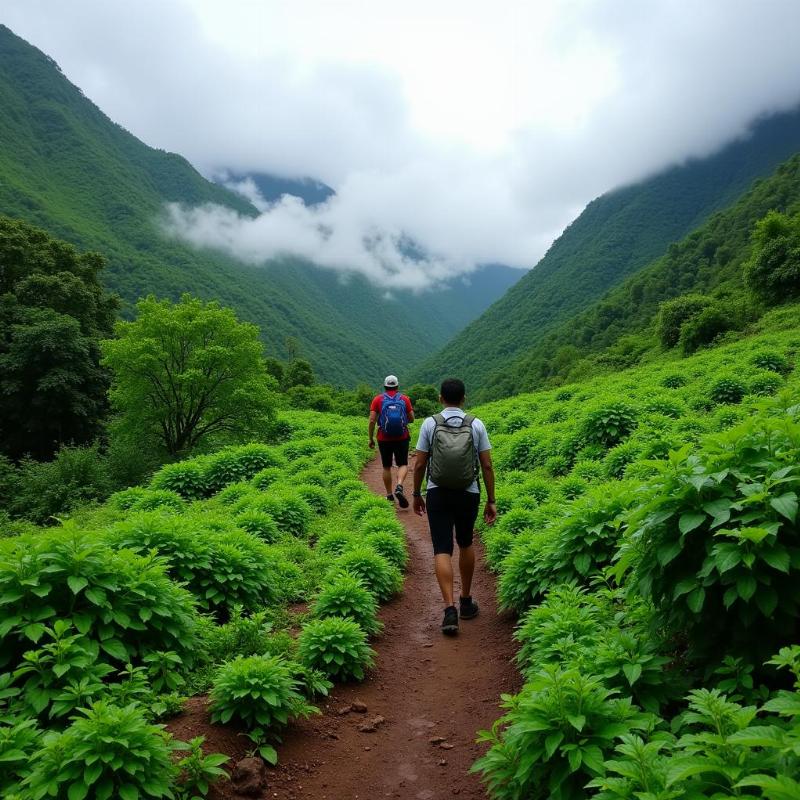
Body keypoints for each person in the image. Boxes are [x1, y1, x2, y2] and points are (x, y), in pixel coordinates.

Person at [412, 378, 496, 635]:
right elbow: (487, 466)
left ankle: (449, 609)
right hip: (467, 492)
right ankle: (466, 602)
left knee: (442, 548)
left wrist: (416, 493)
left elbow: (419, 464)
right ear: (464, 398)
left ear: (440, 398)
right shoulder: (476, 424)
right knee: (466, 542)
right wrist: (491, 500)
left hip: (438, 492)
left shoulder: (430, 423)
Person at [369, 375, 415, 507]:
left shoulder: (378, 399)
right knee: (402, 464)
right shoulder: (404, 399)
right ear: (397, 386)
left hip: (384, 437)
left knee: (386, 466)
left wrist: (370, 438)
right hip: (402, 436)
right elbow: (412, 418)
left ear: (384, 386)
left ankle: (389, 495)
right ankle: (399, 485)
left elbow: (372, 420)